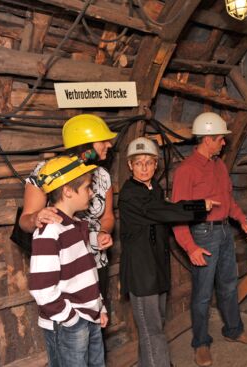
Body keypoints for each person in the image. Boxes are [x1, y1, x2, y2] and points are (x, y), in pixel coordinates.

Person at [118, 137, 219, 367]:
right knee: (152, 330)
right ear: (129, 166)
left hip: (157, 269)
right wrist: (197, 206)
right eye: (138, 162)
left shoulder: (154, 189)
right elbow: (165, 211)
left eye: (149, 162)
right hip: (142, 273)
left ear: (156, 165)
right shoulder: (130, 194)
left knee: (152, 327)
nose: (144, 167)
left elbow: (165, 209)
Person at [172, 112, 247, 367]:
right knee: (201, 294)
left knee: (229, 286)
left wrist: (242, 220)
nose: (224, 143)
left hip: (223, 232)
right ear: (208, 139)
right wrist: (190, 247)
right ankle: (201, 343)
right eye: (221, 139)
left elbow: (228, 199)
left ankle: (234, 330)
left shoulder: (219, 165)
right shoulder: (186, 171)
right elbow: (178, 214)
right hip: (202, 234)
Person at [20, 114, 116, 302]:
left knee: (97, 322)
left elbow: (108, 216)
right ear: (86, 145)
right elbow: (25, 220)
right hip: (65, 267)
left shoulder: (102, 175)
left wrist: (104, 232)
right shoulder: (47, 172)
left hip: (95, 262)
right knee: (72, 327)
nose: (110, 144)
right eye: (103, 140)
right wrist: (36, 218)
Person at [28, 156, 108, 367]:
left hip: (90, 317)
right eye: (87, 187)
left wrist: (99, 307)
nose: (91, 193)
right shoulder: (49, 232)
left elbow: (87, 274)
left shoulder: (77, 225)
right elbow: (42, 290)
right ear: (68, 191)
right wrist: (71, 319)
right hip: (70, 323)